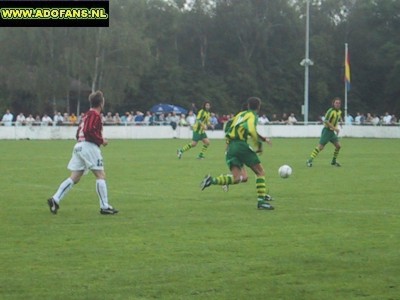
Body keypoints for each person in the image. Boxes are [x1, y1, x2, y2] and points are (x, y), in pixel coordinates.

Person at [47, 90, 118, 215]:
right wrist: (102, 141)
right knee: (100, 175)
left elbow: (79, 132)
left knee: (75, 177)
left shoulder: (85, 115)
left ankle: (55, 198)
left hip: (79, 146)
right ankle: (104, 206)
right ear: (101, 103)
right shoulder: (94, 115)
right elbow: (89, 130)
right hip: (88, 146)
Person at [200, 97, 274, 210]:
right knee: (260, 172)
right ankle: (261, 202)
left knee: (239, 178)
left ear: (248, 105)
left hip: (231, 147)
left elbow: (232, 127)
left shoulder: (240, 115)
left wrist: (263, 139)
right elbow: (251, 129)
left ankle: (212, 180)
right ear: (259, 107)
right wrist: (259, 145)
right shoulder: (252, 115)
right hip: (240, 145)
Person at [306, 97, 343, 167]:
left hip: (332, 133)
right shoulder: (331, 111)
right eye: (336, 103)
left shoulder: (339, 111)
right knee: (320, 147)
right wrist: (335, 128)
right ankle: (309, 160)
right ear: (333, 104)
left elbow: (338, 117)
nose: (338, 104)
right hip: (327, 131)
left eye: (339, 103)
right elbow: (326, 121)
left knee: (338, 146)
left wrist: (340, 122)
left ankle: (333, 161)